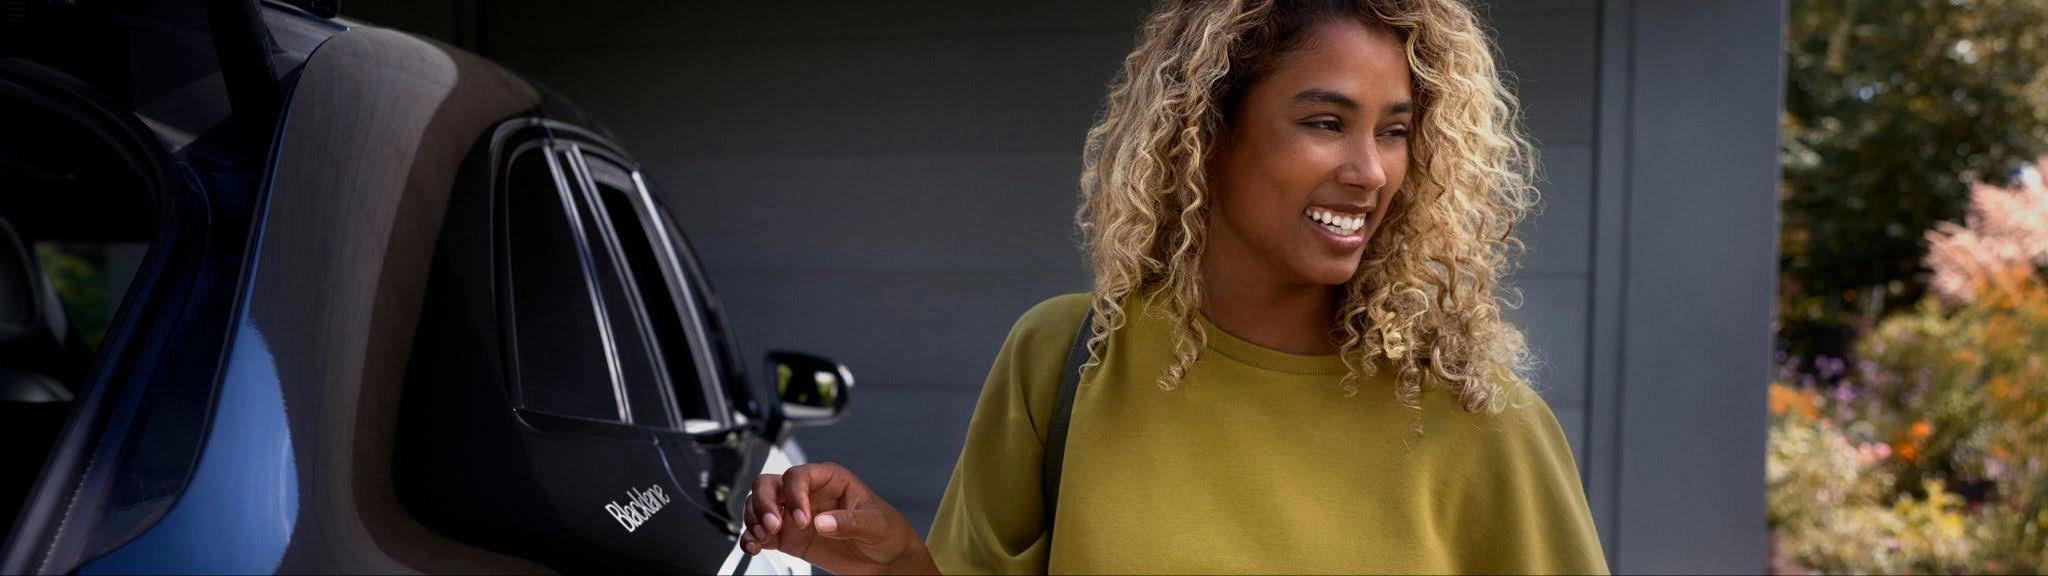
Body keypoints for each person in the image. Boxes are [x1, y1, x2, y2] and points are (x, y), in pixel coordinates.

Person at [740, 0, 1607, 572]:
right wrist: (894, 561)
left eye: (1395, 131)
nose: (1369, 170)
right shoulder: (1069, 358)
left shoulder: (1478, 421)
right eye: (1325, 122)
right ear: (1206, 135)